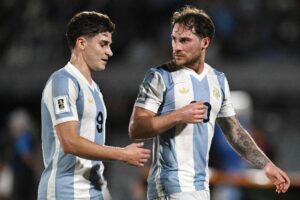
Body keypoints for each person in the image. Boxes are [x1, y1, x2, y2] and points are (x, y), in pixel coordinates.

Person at [128, 6, 290, 200]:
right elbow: (136, 128)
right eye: (174, 39)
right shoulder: (160, 76)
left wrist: (267, 165)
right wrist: (178, 115)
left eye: (185, 40)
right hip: (170, 186)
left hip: (201, 187)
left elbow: (234, 132)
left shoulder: (218, 80)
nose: (176, 47)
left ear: (205, 42)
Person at [38, 11, 151, 200]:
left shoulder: (95, 89)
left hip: (92, 189)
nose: (110, 52)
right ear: (81, 43)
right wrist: (122, 153)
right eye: (103, 44)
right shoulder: (63, 82)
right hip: (65, 191)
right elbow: (70, 141)